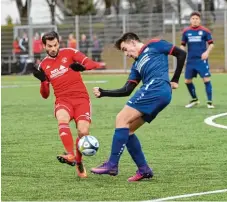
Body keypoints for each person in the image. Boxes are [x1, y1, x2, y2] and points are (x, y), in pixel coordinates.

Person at [72, 32, 186, 182]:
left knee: (121, 119)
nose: (126, 54)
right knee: (129, 130)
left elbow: (181, 53)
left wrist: (175, 79)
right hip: (159, 95)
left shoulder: (155, 44)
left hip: (156, 88)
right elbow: (127, 89)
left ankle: (112, 164)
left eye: (125, 49)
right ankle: (144, 169)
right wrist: (104, 92)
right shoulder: (136, 66)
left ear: (132, 42)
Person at [32, 31, 100, 178]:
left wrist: (83, 67)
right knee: (62, 118)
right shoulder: (43, 65)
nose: (53, 48)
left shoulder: (70, 53)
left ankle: (79, 161)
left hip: (81, 99)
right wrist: (43, 81)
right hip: (63, 100)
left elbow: (93, 63)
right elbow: (45, 95)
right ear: (44, 46)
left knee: (83, 132)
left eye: (55, 45)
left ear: (58, 43)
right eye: (49, 46)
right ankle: (70, 154)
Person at [180, 11, 215, 109]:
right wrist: (182, 56)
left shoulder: (205, 31)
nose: (195, 20)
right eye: (193, 19)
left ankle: (209, 102)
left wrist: (206, 52)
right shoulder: (186, 31)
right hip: (190, 61)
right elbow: (182, 45)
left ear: (199, 20)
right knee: (187, 81)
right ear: (190, 20)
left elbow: (211, 44)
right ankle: (195, 99)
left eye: (197, 19)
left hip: (201, 60)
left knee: (206, 79)